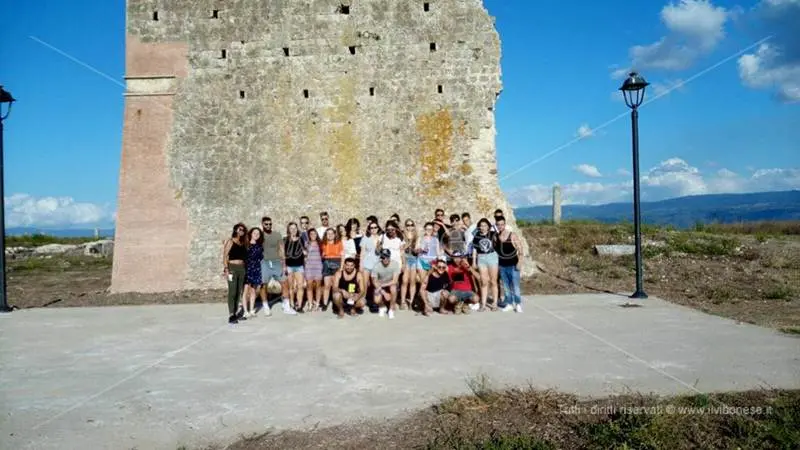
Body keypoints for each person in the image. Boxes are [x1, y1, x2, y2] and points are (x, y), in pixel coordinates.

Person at [259, 217, 296, 315]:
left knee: (285, 283)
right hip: (265, 263)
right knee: (263, 285)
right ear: (262, 224)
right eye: (266, 224)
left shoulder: (277, 235)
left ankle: (286, 306)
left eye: (270, 224)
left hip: (276, 262)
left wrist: (284, 265)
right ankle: (266, 306)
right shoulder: (260, 235)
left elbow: (281, 249)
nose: (268, 226)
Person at [496, 216, 524, 313]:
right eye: (498, 225)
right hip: (502, 265)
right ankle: (509, 304)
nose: (500, 226)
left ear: (505, 224)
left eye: (502, 224)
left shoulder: (512, 235)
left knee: (515, 286)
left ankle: (518, 304)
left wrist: (520, 262)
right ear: (496, 225)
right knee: (506, 286)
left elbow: (520, 248)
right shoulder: (497, 237)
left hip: (513, 265)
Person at [472, 218, 500, 311]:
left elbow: (499, 236)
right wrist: (474, 261)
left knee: (493, 281)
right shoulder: (476, 236)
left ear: (488, 226)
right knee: (484, 282)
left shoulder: (492, 234)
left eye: (485, 225)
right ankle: (483, 304)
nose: (483, 227)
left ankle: (495, 303)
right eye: (481, 226)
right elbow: (475, 249)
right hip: (481, 258)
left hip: (492, 256)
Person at [223, 223, 247, 324]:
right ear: (235, 230)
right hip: (232, 268)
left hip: (241, 269)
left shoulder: (243, 243)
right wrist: (226, 269)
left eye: (243, 230)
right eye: (240, 229)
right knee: (232, 291)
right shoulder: (230, 241)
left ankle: (236, 313)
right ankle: (231, 314)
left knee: (238, 291)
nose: (242, 231)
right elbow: (225, 256)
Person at [371, 248, 401, 319]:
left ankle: (391, 309)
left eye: (387, 257)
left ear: (390, 256)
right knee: (376, 299)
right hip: (380, 285)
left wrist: (382, 285)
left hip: (390, 284)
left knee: (393, 288)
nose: (385, 259)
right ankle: (382, 306)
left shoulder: (395, 264)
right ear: (380, 257)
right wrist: (384, 292)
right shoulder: (376, 266)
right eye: (383, 257)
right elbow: (374, 281)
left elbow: (395, 281)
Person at [321, 228, 344, 310]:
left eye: (332, 233)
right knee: (327, 285)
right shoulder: (323, 243)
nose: (330, 235)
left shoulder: (339, 243)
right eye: (328, 233)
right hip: (326, 264)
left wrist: (341, 268)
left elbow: (342, 256)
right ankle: (325, 303)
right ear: (326, 235)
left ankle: (335, 303)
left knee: (335, 286)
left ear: (335, 235)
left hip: (336, 263)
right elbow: (322, 255)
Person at [243, 227, 264, 318]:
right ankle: (245, 311)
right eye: (254, 233)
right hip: (247, 269)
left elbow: (261, 259)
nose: (256, 235)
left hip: (256, 269)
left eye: (258, 234)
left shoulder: (260, 246)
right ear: (251, 234)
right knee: (245, 290)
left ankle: (251, 310)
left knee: (253, 290)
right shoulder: (246, 245)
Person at [284, 222, 305, 312]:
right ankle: (292, 303)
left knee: (300, 286)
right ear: (288, 230)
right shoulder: (285, 240)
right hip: (289, 266)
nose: (293, 230)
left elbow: (303, 252)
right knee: (291, 286)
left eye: (295, 228)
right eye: (291, 228)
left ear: (297, 229)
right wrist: (284, 266)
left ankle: (299, 305)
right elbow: (283, 255)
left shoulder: (301, 239)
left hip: (299, 266)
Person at [400, 219, 420, 310]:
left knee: (412, 281)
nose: (410, 227)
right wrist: (408, 244)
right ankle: (402, 301)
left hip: (414, 259)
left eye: (411, 225)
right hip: (405, 259)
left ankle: (411, 302)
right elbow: (401, 249)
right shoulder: (402, 236)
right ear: (405, 226)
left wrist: (417, 249)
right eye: (408, 225)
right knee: (404, 281)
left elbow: (417, 249)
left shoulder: (417, 236)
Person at [304, 228, 324, 312]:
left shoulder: (320, 243)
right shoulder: (306, 243)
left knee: (318, 286)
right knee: (309, 286)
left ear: (317, 234)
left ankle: (317, 304)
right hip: (309, 267)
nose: (313, 235)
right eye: (311, 234)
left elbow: (323, 255)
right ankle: (310, 304)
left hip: (318, 267)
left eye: (314, 233)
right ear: (309, 235)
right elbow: (305, 256)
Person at [360, 220, 381, 288]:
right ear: (369, 229)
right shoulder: (365, 238)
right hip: (366, 264)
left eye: (375, 227)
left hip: (377, 264)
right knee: (365, 284)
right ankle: (363, 295)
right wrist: (361, 264)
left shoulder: (381, 238)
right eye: (371, 228)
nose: (373, 229)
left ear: (378, 228)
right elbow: (362, 252)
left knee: (376, 284)